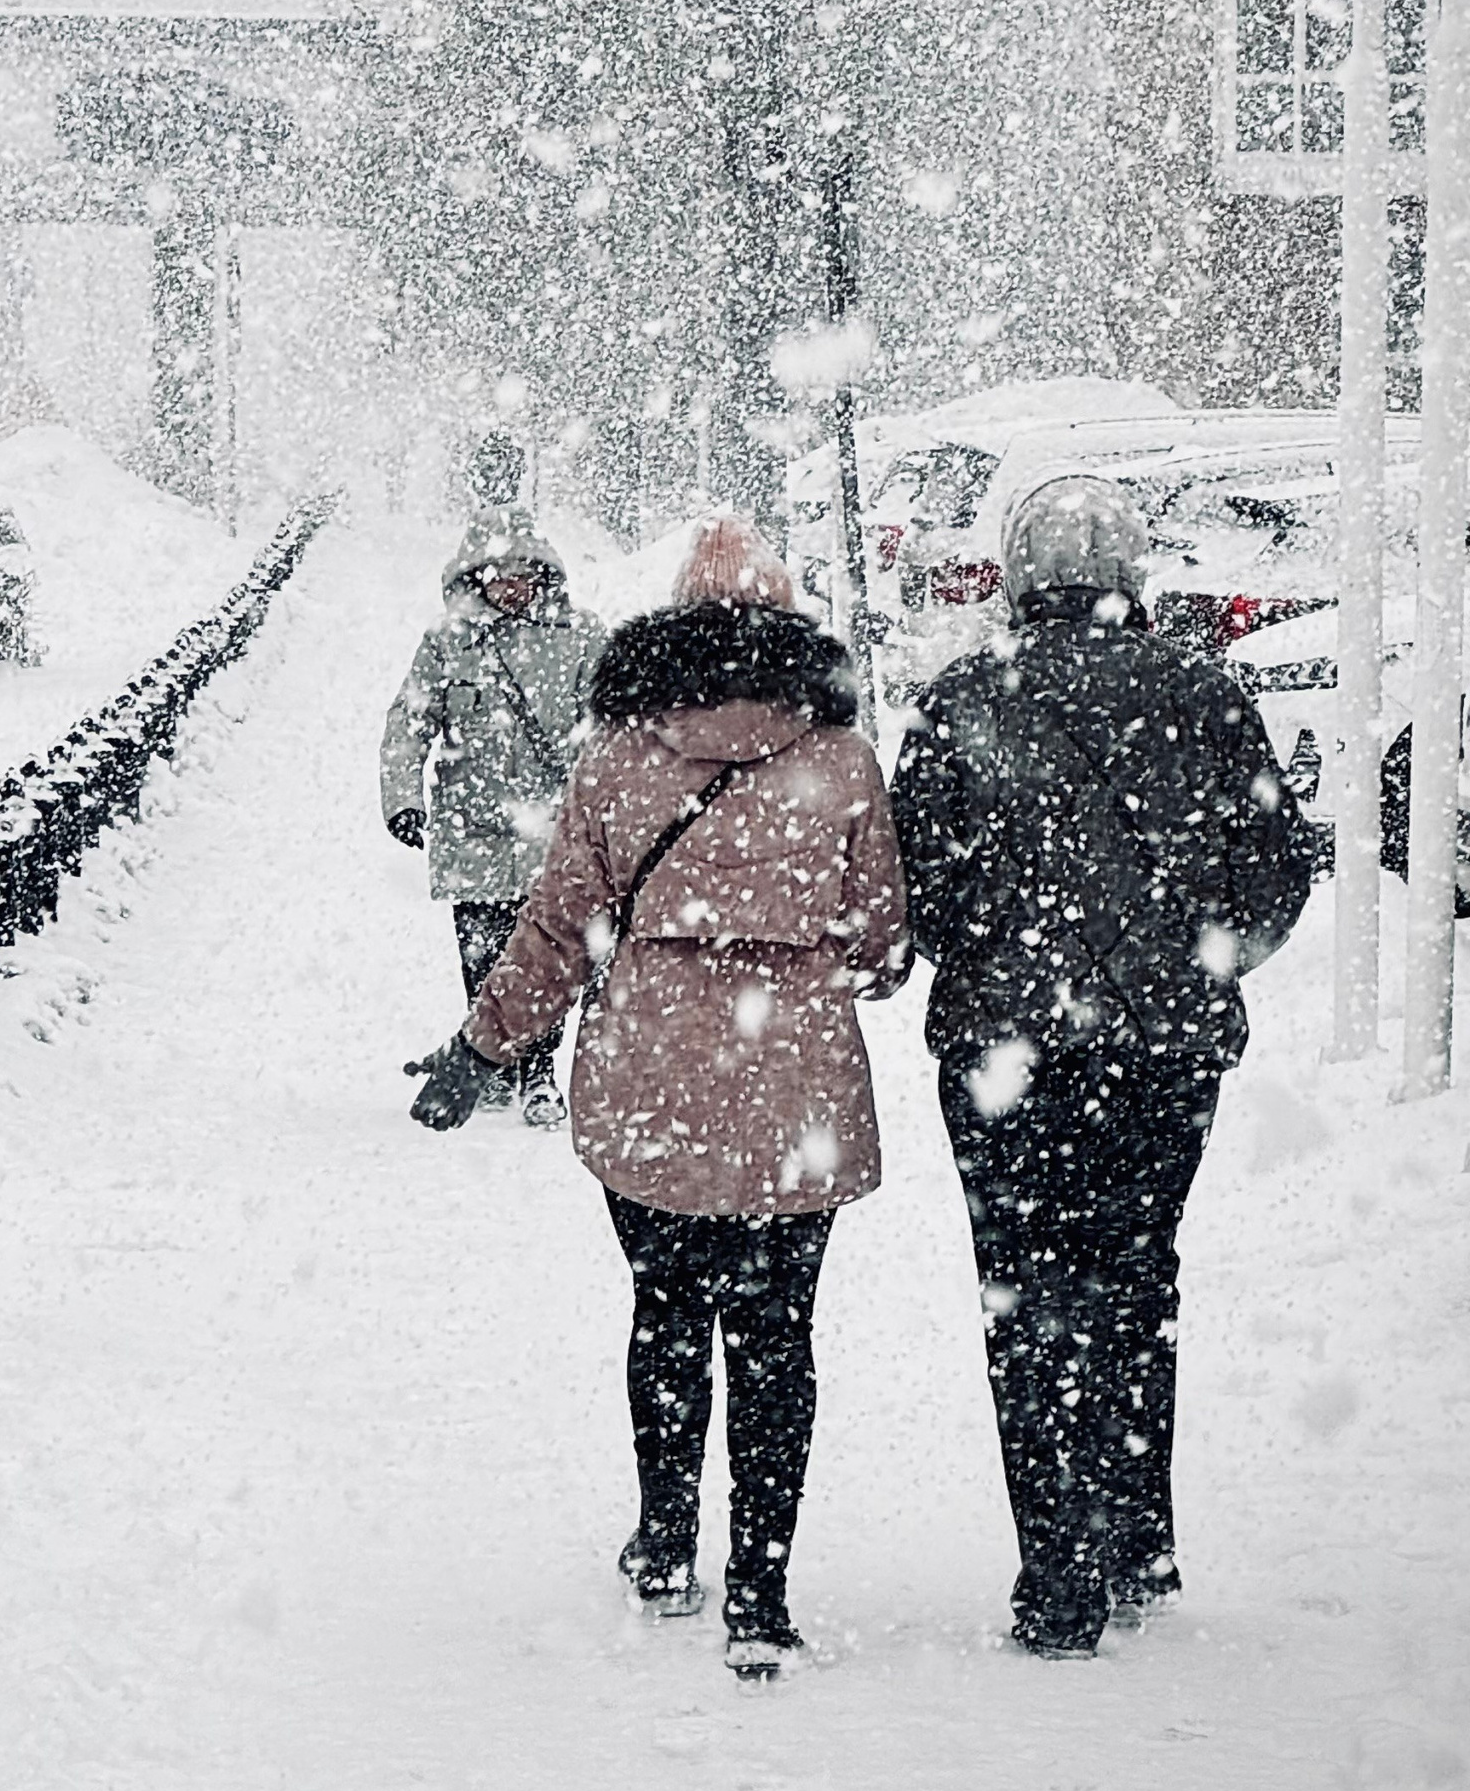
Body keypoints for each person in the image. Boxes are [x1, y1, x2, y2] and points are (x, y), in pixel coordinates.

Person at [451, 516, 908, 1670]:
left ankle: (664, 1545)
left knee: (665, 1313)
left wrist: (484, 1040)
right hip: (795, 1088)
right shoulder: (841, 760)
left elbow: (557, 926)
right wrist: (810, 948)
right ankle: (760, 1589)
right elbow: (879, 940)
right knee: (775, 1336)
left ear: (674, 624)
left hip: (650, 1078)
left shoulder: (616, 756)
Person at [890, 474, 1314, 1661]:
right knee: (1136, 1276)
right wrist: (1201, 960)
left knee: (1024, 1294)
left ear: (1018, 573)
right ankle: (1135, 1536)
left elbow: (918, 880)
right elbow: (1277, 863)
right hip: (1162, 1049)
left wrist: (997, 959)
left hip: (1006, 1049)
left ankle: (1057, 1572)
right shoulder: (1204, 691)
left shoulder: (962, 696)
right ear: (1132, 571)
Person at [381, 515, 606, 1121]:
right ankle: (493, 1066)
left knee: (547, 956)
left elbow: (607, 727)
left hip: (552, 832)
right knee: (482, 959)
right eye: (500, 574)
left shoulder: (582, 638)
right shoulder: (448, 642)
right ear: (477, 577)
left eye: (523, 573)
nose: (513, 586)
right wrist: (403, 800)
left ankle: (540, 1074)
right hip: (471, 830)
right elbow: (409, 722)